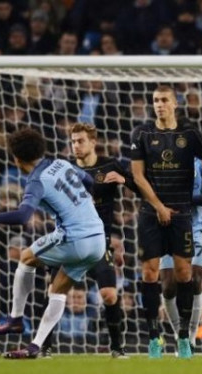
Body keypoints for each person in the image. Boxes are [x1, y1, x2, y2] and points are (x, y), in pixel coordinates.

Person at [0, 128, 106, 360]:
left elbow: (22, 217)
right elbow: (90, 181)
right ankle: (35, 346)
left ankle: (16, 318)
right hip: (97, 240)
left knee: (26, 257)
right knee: (57, 289)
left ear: (16, 159)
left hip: (75, 238)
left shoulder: (36, 181)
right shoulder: (62, 163)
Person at [130, 85, 202, 359]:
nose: (159, 104)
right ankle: (154, 338)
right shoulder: (142, 133)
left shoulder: (189, 134)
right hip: (151, 214)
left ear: (175, 104)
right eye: (155, 100)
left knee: (185, 276)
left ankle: (184, 336)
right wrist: (158, 206)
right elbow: (137, 176)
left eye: (164, 100)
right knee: (150, 275)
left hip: (182, 215)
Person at [38, 123, 138, 358]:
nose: (76, 146)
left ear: (94, 142)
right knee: (54, 292)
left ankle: (117, 347)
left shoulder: (111, 166)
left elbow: (141, 186)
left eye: (81, 141)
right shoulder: (63, 169)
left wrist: (124, 180)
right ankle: (44, 346)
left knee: (110, 295)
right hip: (69, 242)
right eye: (73, 141)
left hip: (98, 243)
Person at [160, 157, 202, 352]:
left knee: (195, 279)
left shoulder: (200, 163)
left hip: (197, 227)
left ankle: (189, 338)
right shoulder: (162, 158)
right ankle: (179, 333)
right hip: (168, 227)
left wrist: (185, 199)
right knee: (169, 286)